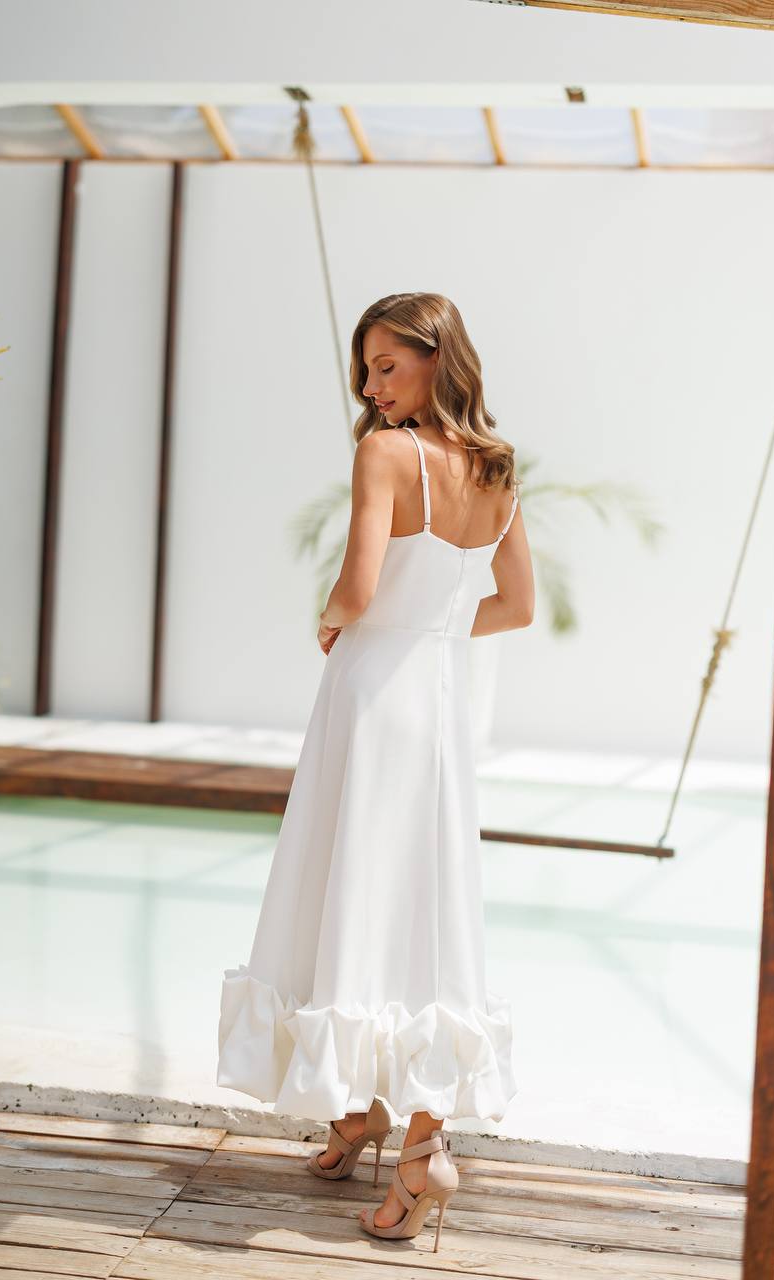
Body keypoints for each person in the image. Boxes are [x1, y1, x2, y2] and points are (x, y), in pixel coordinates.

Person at [217, 291, 535, 1251]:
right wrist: (432, 626)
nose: (371, 386)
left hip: (368, 701)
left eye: (386, 366)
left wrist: (335, 617)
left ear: (438, 360)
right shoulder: (495, 467)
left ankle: (382, 1128)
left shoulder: (384, 454)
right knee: (421, 911)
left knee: (343, 892)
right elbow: (514, 607)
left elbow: (357, 587)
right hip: (433, 705)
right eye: (364, 369)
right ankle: (395, 1132)